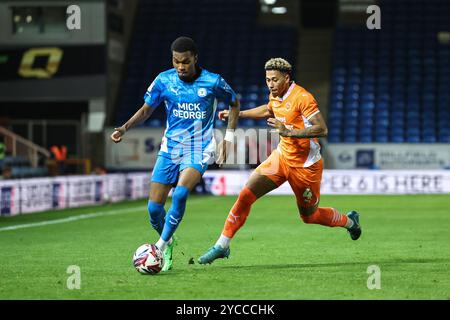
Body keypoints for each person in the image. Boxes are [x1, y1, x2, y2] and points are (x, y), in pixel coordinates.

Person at [198, 58, 361, 264]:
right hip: (281, 158)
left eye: (274, 80)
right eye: (267, 80)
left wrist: (289, 131)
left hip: (305, 166)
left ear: (287, 78)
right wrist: (237, 113)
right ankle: (222, 245)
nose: (270, 84)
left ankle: (350, 222)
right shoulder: (275, 94)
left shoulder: (303, 98)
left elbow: (322, 129)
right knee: (246, 195)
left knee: (309, 217)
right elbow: (269, 109)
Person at [111, 36, 240, 271]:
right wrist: (124, 127)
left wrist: (228, 139)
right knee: (153, 210)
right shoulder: (164, 80)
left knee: (180, 194)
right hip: (170, 148)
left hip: (199, 148)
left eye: (185, 62)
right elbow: (146, 110)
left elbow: (234, 103)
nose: (180, 67)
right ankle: (168, 241)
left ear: (195, 59)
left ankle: (158, 247)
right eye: (176, 61)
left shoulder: (213, 82)